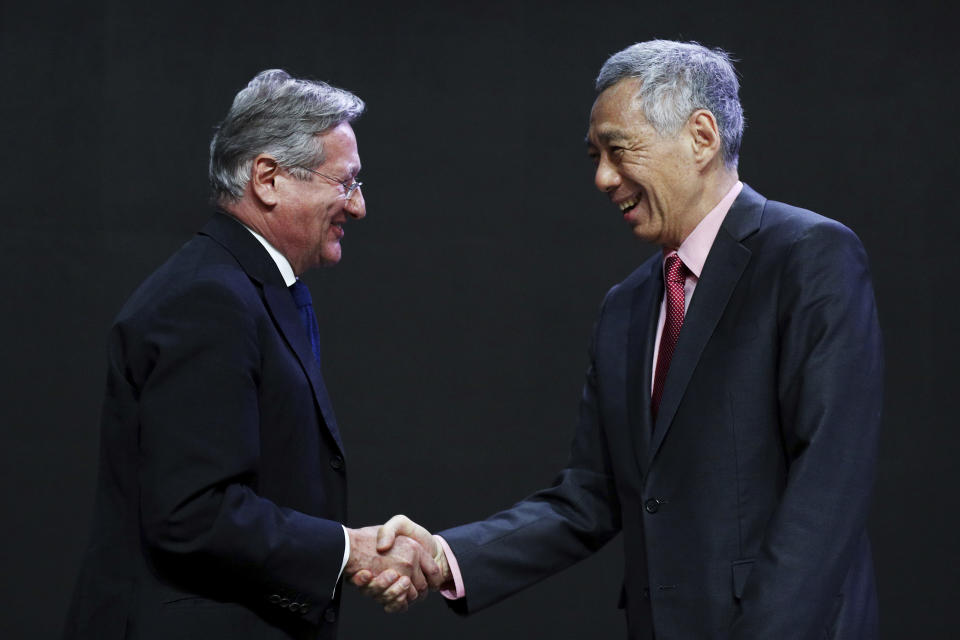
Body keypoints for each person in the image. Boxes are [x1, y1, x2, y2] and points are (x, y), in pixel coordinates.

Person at [359, 40, 883, 639]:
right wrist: (443, 557)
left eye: (618, 149)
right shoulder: (627, 307)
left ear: (702, 137)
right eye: (594, 156)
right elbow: (589, 496)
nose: (604, 178)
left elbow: (829, 484)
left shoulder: (809, 256)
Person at [63, 69, 440, 640]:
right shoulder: (206, 299)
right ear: (268, 178)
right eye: (346, 183)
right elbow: (194, 514)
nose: (358, 207)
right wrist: (350, 550)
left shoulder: (251, 288)